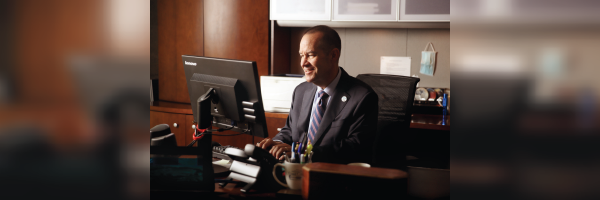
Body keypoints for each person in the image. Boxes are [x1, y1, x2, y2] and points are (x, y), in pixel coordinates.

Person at [257, 25, 378, 164]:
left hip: (333, 176)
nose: (303, 63)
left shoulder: (362, 97)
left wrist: (304, 153)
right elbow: (290, 131)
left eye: (311, 55)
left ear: (333, 55)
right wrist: (276, 144)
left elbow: (354, 148)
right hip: (295, 172)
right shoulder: (301, 91)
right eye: (302, 55)